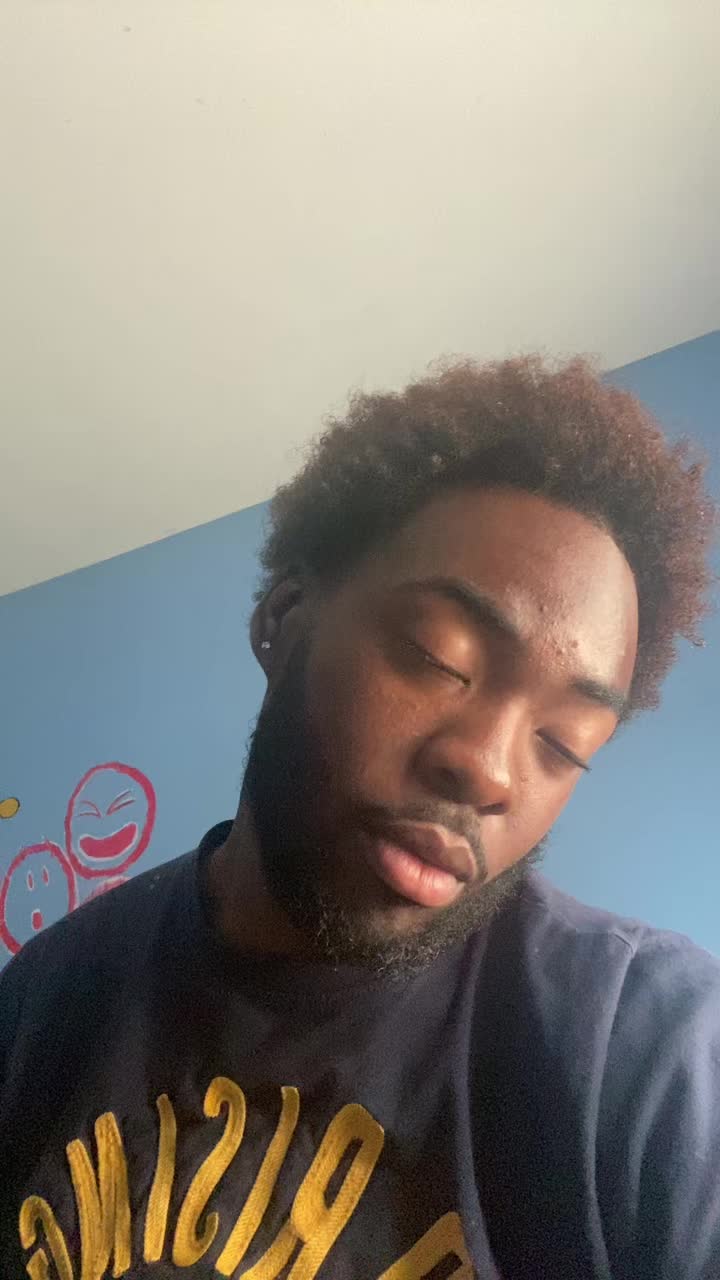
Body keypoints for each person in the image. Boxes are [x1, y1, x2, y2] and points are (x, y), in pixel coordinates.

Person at [0, 355, 717, 1279]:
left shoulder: (645, 1049)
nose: (490, 770)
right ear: (286, 619)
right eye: (437, 658)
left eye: (564, 743)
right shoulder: (44, 1004)